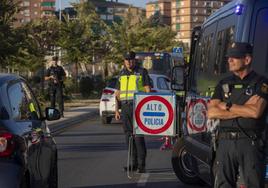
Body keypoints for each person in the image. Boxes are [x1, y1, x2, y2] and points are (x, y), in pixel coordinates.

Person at [208, 42, 268, 188]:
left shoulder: (261, 83)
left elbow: (256, 112)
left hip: (250, 142)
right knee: (223, 184)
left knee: (254, 183)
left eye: (234, 57)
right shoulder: (223, 83)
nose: (229, 60)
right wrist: (244, 108)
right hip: (225, 143)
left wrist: (227, 106)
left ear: (247, 60)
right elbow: (211, 112)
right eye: (229, 57)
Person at [114, 51, 151, 173]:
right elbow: (118, 94)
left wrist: (146, 107)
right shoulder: (121, 74)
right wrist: (117, 110)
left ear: (134, 60)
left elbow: (147, 89)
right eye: (126, 60)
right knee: (128, 136)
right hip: (125, 108)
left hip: (137, 108)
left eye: (131, 60)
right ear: (124, 61)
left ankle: (142, 165)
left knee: (138, 137)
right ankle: (133, 164)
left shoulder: (141, 72)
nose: (129, 62)